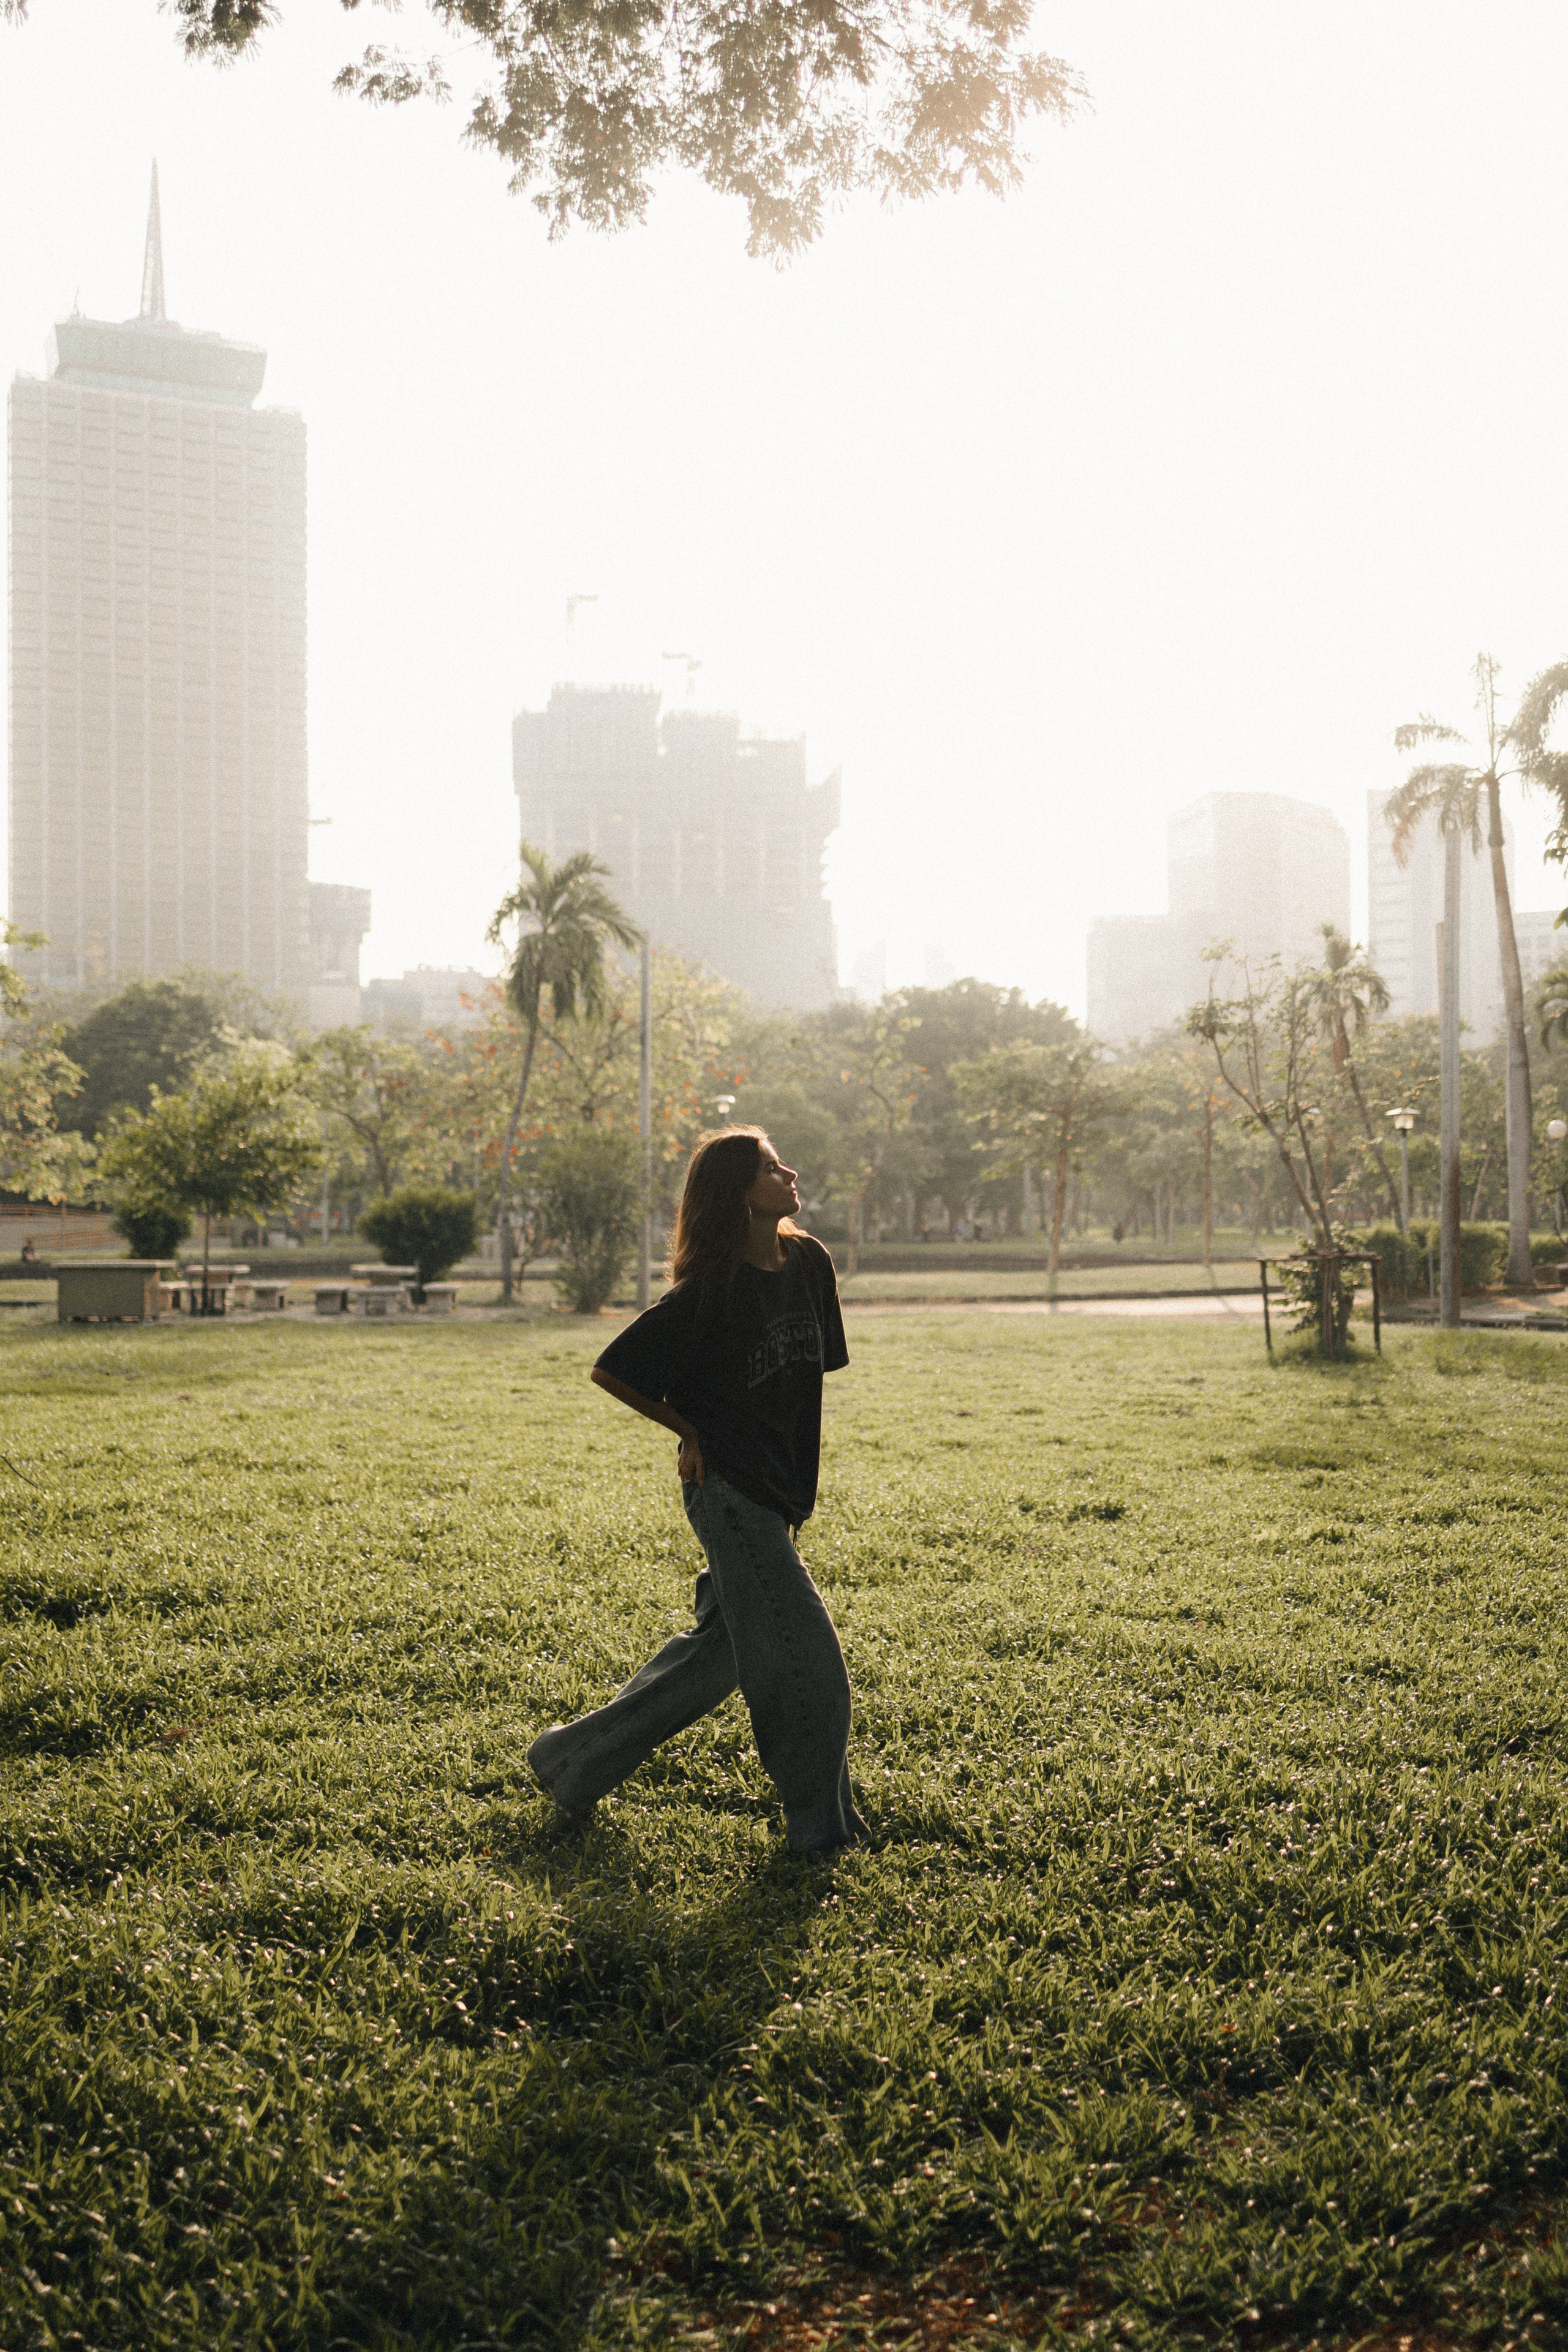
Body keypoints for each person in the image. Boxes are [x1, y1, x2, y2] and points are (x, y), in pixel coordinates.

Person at [526, 1126, 869, 1856]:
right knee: (808, 1663)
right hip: (730, 1495)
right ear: (739, 1194)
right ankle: (822, 1831)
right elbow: (614, 1369)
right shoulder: (710, 1291)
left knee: (721, 1657)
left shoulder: (807, 1262)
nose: (790, 1172)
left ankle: (569, 1761)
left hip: (780, 1490)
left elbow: (813, 1370)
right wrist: (690, 1430)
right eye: (773, 1168)